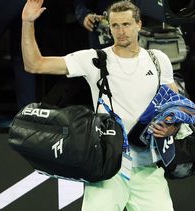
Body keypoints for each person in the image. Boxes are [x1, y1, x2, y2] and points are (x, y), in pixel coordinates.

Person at [22, 0, 179, 210]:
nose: (121, 31)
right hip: (108, 170)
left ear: (139, 25)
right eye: (115, 25)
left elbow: (175, 106)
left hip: (148, 169)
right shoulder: (94, 59)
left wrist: (172, 127)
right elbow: (35, 64)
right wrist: (27, 22)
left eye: (126, 24)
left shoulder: (158, 60)